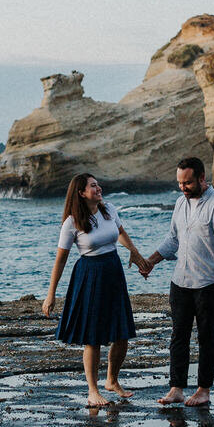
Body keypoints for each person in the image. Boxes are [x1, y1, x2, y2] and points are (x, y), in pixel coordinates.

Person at [137, 157, 214, 407]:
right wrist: (151, 261)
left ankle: (204, 390)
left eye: (187, 183)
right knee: (178, 336)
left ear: (202, 179)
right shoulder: (180, 204)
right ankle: (176, 388)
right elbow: (173, 239)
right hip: (180, 281)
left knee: (206, 337)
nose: (182, 187)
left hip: (208, 283)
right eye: (179, 183)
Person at [43, 173, 149, 407]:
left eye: (98, 184)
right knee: (94, 337)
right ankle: (93, 390)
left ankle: (112, 381)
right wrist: (51, 294)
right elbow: (60, 260)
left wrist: (134, 251)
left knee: (122, 333)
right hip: (90, 275)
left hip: (113, 270)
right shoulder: (72, 222)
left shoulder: (108, 209)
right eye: (93, 186)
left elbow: (120, 232)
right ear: (81, 192)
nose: (98, 187)